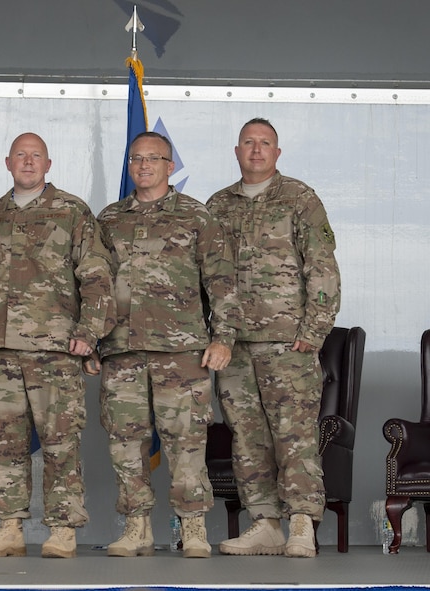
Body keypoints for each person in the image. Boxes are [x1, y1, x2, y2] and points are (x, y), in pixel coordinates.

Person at [0, 132, 115, 559]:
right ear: (8, 163)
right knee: (7, 442)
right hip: (0, 349)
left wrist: (88, 332)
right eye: (20, 155)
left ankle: (62, 530)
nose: (28, 162)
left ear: (48, 163)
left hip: (56, 349)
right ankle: (9, 528)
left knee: (61, 441)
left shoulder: (72, 212)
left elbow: (96, 276)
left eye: (35, 156)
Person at [89, 131, 241, 559]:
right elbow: (93, 285)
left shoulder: (197, 217)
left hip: (182, 352)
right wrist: (92, 340)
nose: (143, 166)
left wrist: (223, 337)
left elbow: (222, 281)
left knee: (186, 442)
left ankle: (193, 528)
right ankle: (136, 528)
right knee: (124, 441)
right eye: (136, 159)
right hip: (121, 351)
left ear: (170, 166)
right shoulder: (109, 219)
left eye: (153, 159)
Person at [206, 118, 341, 558]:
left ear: (277, 153)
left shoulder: (299, 199)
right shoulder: (218, 205)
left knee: (294, 435)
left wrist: (314, 329)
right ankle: (264, 524)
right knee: (246, 437)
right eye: (249, 143)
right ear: (237, 150)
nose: (257, 150)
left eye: (265, 144)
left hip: (289, 342)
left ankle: (301, 522)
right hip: (233, 345)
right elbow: (206, 275)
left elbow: (322, 267)